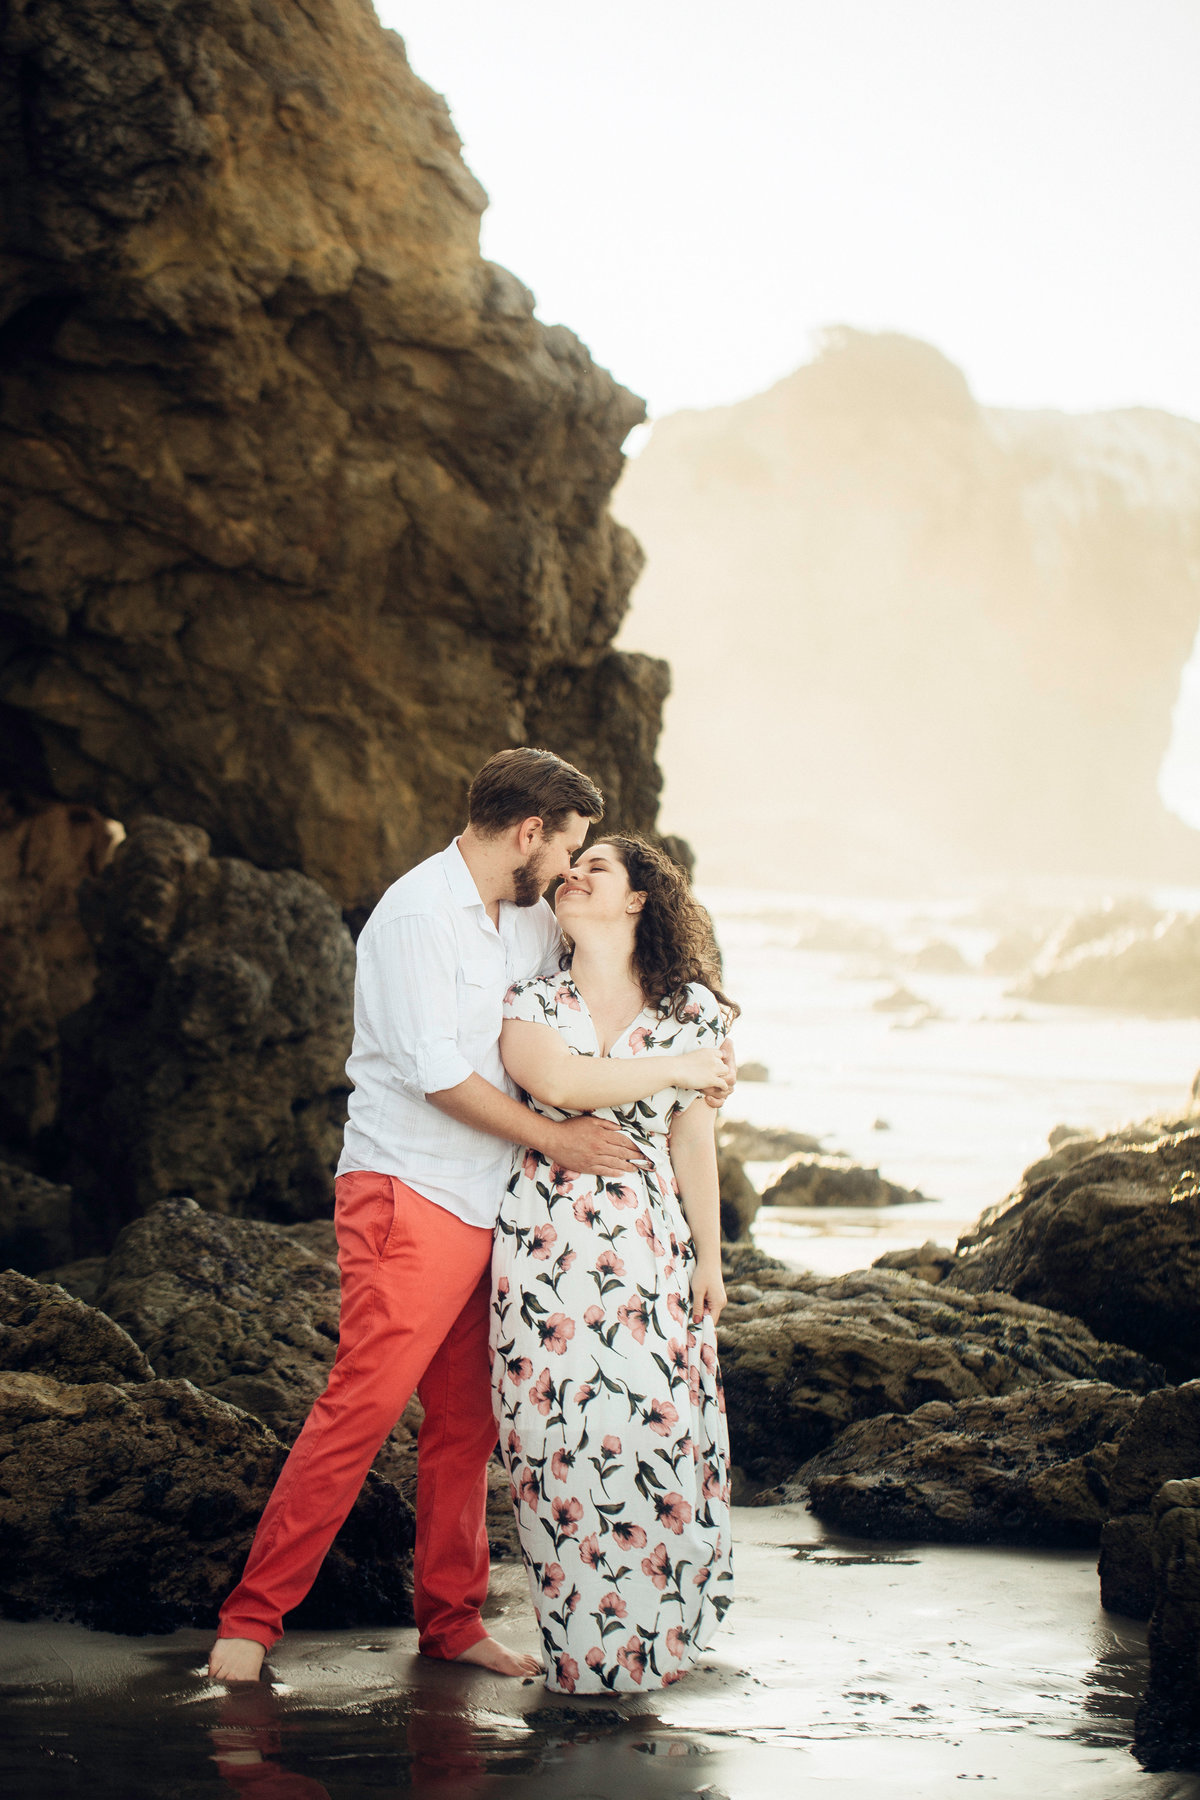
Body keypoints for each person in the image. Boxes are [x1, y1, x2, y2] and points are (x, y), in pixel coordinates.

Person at [209, 750, 734, 1683]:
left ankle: (449, 1621)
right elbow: (438, 1075)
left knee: (465, 1426)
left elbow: (591, 1008)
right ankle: (248, 1628)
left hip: (498, 1210)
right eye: (567, 847)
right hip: (407, 1192)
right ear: (529, 833)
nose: (572, 869)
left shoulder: (531, 918)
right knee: (361, 1407)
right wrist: (557, 1137)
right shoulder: (415, 916)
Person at [492, 834, 737, 1693]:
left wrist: (711, 1255)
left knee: (655, 1434)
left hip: (649, 1248)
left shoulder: (691, 1007)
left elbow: (692, 1135)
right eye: (572, 862)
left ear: (638, 900)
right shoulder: (535, 997)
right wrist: (685, 1067)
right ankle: (580, 1659)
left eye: (596, 867)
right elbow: (553, 1080)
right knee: (555, 1444)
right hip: (543, 1249)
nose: (573, 873)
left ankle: (651, 1647)